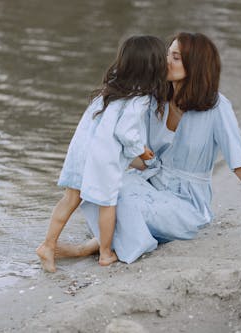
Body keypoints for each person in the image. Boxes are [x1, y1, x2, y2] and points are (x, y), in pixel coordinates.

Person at [60, 32, 241, 264]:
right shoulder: (152, 99)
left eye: (175, 57)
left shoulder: (217, 107)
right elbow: (136, 156)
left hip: (186, 205)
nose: (166, 61)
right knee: (100, 185)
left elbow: (239, 163)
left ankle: (96, 246)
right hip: (148, 183)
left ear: (195, 66)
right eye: (167, 54)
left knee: (120, 198)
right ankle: (105, 243)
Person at [36, 35, 167, 272]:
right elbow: (125, 132)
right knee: (108, 202)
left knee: (70, 198)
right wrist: (142, 152)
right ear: (155, 67)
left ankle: (48, 245)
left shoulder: (110, 90)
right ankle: (106, 253)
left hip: (80, 151)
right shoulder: (141, 98)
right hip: (102, 158)